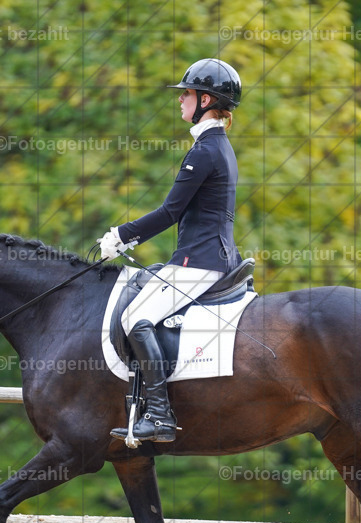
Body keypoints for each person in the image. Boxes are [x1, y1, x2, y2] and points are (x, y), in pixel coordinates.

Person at [99, 58, 244, 443]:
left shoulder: (206, 151)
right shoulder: (216, 145)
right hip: (204, 256)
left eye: (187, 93)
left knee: (134, 319)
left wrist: (120, 236)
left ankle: (161, 417)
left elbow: (170, 212)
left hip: (200, 262)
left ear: (207, 100)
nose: (180, 100)